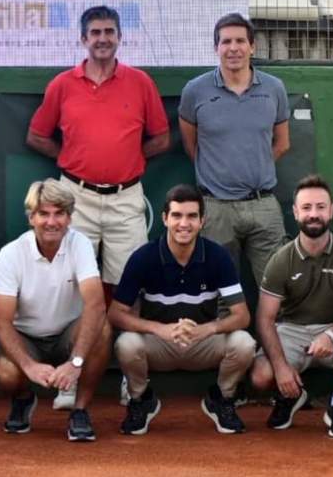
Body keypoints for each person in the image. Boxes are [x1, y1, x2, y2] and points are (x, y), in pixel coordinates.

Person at [27, 4, 170, 408]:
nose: (102, 38)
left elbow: (161, 139)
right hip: (76, 197)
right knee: (75, 286)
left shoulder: (140, 82)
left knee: (130, 288)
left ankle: (131, 377)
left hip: (127, 198)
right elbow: (37, 137)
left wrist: (127, 162)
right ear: (83, 38)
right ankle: (70, 378)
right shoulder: (62, 85)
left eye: (109, 31)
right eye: (95, 32)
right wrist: (73, 161)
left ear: (120, 37)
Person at [108, 184, 255, 435]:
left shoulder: (218, 256)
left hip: (203, 342)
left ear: (202, 220)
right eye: (176, 215)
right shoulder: (143, 257)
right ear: (165, 218)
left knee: (244, 343)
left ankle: (221, 399)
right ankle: (141, 400)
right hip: (158, 343)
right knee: (127, 344)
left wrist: (207, 329)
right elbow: (115, 313)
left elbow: (242, 315)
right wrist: (160, 330)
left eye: (191, 216)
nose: (183, 223)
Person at [250, 174, 333, 438]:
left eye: (320, 207)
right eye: (306, 208)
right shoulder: (281, 260)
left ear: (331, 211)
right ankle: (290, 396)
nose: (313, 214)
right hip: (291, 330)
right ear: (295, 213)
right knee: (261, 376)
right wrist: (281, 367)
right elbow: (265, 318)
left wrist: (331, 334)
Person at [178, 12, 290, 296]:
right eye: (226, 41)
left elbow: (282, 143)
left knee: (277, 289)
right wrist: (217, 175)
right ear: (216, 48)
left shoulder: (274, 89)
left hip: (263, 205)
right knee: (218, 292)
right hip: (215, 208)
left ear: (253, 46)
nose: (233, 48)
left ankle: (276, 342)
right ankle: (227, 342)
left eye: (241, 40)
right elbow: (191, 144)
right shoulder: (195, 90)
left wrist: (255, 169)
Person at [0, 179, 110, 442]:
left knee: (102, 327)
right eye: (43, 214)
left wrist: (76, 362)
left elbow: (96, 304)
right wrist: (29, 366)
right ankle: (23, 400)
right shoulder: (10, 254)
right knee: (6, 373)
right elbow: (1, 322)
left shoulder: (80, 244)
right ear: (31, 218)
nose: (52, 221)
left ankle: (80, 410)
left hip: (69, 336)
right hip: (27, 339)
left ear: (69, 218)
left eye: (59, 214)